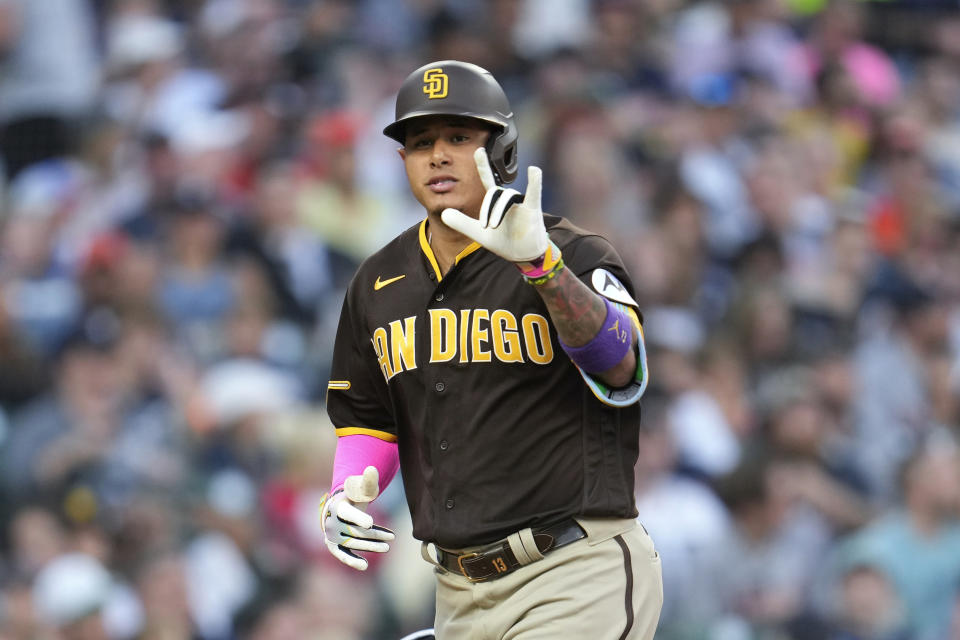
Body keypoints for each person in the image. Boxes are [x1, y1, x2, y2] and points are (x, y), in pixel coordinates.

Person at [319, 60, 662, 639]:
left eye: (459, 136)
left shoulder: (573, 253)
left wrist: (541, 266)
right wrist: (343, 494)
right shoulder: (377, 282)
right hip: (456, 594)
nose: (438, 155)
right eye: (420, 141)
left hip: (572, 573)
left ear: (501, 149)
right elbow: (368, 423)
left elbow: (622, 366)